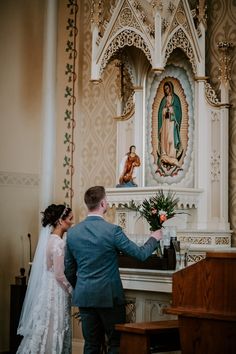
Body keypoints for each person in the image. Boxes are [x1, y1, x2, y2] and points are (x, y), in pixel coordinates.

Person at [64, 186, 162, 354]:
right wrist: (154, 238)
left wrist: (81, 285)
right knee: (115, 343)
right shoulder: (112, 231)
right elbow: (140, 254)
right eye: (106, 200)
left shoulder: (73, 233)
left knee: (91, 344)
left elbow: (69, 270)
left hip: (85, 295)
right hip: (108, 296)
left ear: (88, 204)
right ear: (103, 203)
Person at [17, 204, 74, 354]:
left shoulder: (49, 240)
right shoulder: (59, 243)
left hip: (46, 288)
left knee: (46, 325)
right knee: (56, 325)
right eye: (70, 218)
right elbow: (59, 274)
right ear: (61, 221)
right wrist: (71, 289)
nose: (72, 222)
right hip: (57, 290)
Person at [158, 81, 183, 167]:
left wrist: (172, 109)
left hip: (172, 122)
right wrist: (164, 111)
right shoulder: (163, 100)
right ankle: (164, 155)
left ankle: (172, 155)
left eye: (167, 88)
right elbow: (160, 112)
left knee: (171, 138)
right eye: (165, 89)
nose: (166, 90)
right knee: (165, 138)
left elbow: (178, 110)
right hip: (165, 123)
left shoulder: (175, 98)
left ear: (170, 88)